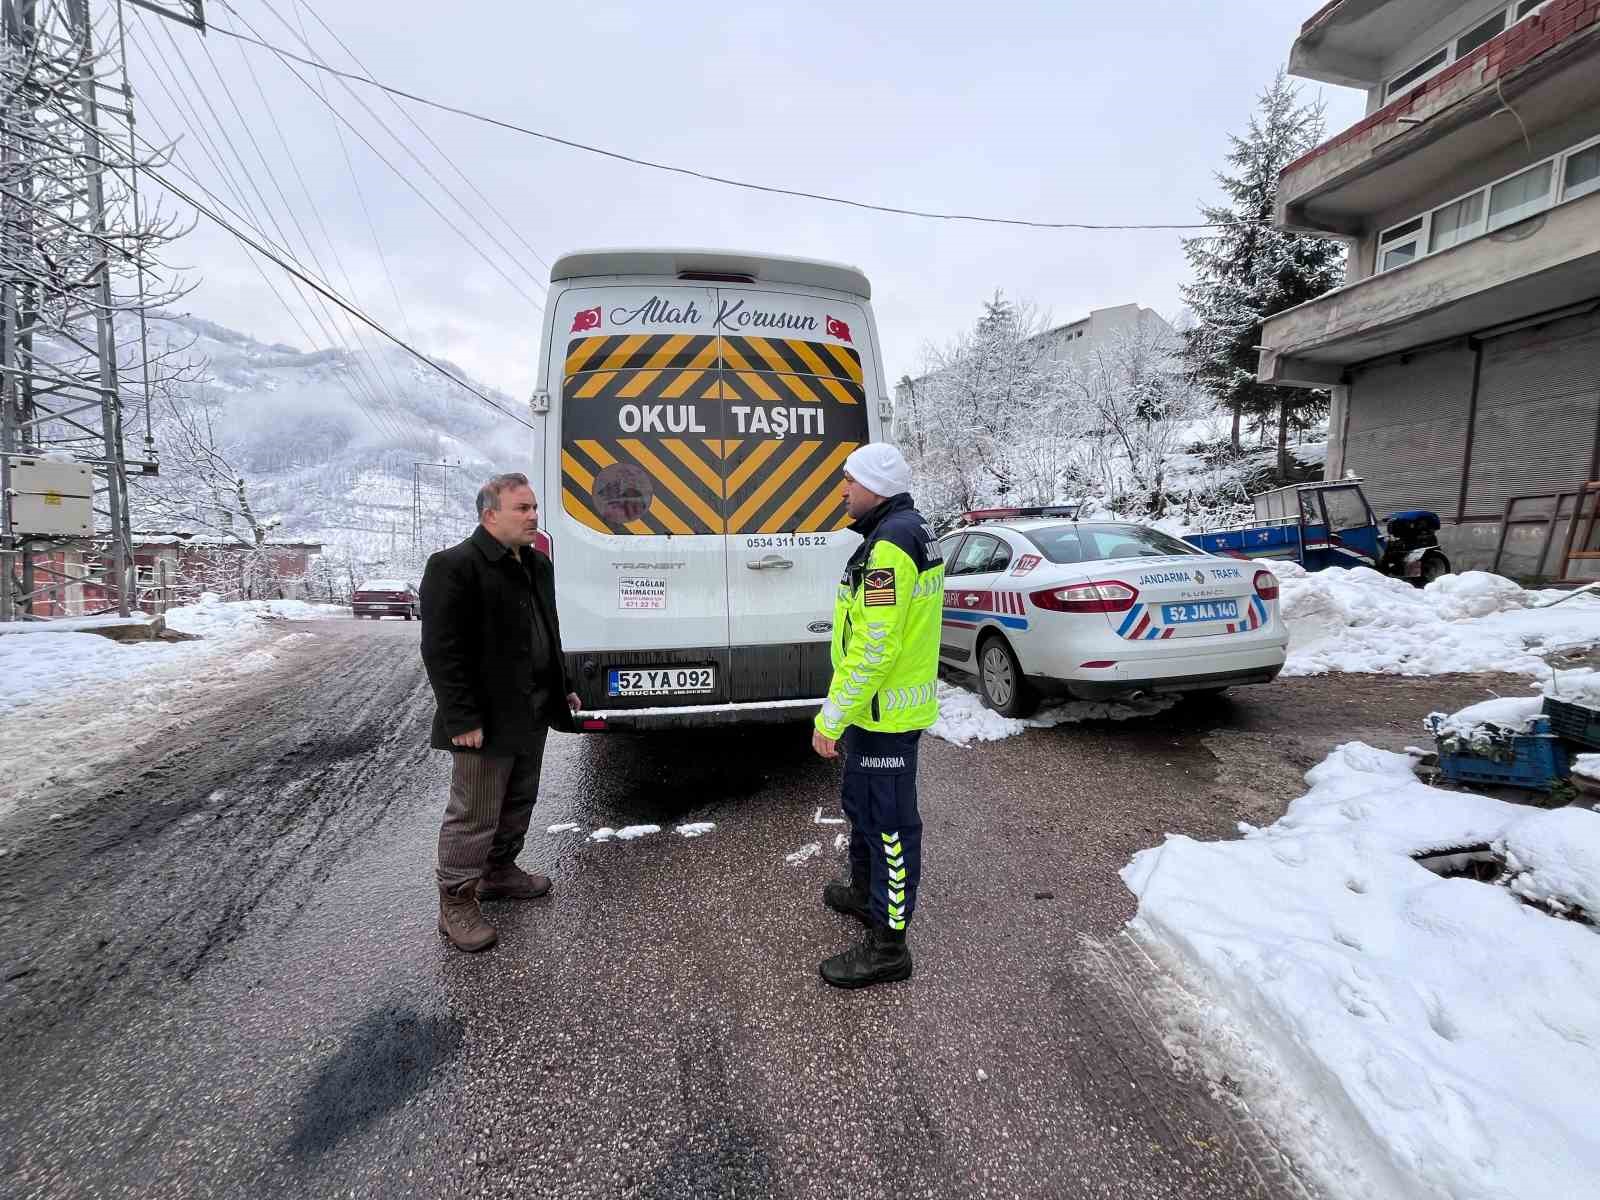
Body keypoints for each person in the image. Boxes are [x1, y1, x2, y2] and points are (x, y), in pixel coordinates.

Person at [420, 472, 580, 953]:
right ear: (490, 515)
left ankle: (498, 872)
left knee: (518, 799)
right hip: (484, 720)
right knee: (474, 812)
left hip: (531, 708)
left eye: (534, 507)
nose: (533, 516)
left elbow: (546, 631)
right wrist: (461, 718)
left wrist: (563, 686)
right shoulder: (454, 566)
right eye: (522, 509)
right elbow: (441, 651)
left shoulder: (536, 564)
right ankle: (456, 904)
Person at [812, 443, 944, 989]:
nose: (843, 490)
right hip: (878, 710)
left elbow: (875, 645)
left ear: (875, 487)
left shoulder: (889, 545)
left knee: (889, 826)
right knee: (862, 806)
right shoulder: (899, 532)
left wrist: (831, 717)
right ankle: (866, 897)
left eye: (849, 481)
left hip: (882, 712)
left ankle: (889, 947)